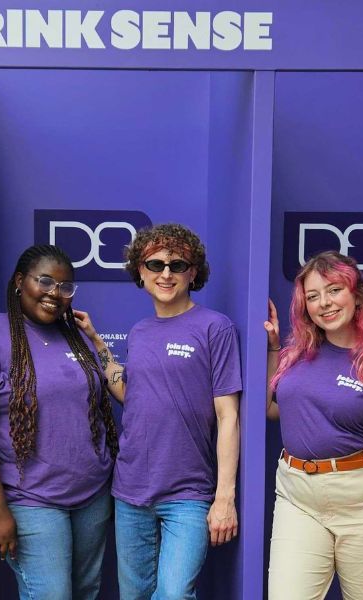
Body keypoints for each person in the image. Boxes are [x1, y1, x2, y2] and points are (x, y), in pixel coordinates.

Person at [75, 223, 241, 600]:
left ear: (193, 272)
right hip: (131, 491)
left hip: (188, 492)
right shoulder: (140, 331)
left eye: (177, 264)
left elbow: (228, 416)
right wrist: (98, 344)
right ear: (141, 271)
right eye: (155, 264)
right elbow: (130, 393)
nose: (166, 273)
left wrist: (224, 496)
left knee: (173, 593)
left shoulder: (215, 328)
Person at [0, 245, 118, 599]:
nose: (54, 294)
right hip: (32, 499)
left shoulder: (76, 336)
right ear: (20, 282)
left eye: (65, 287)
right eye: (45, 281)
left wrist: (96, 340)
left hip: (92, 495)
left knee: (85, 592)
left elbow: (112, 394)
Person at [263, 251, 363, 599]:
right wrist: (273, 351)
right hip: (297, 497)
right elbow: (273, 410)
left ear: (356, 295)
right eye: (313, 296)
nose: (324, 304)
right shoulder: (295, 357)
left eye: (334, 290)